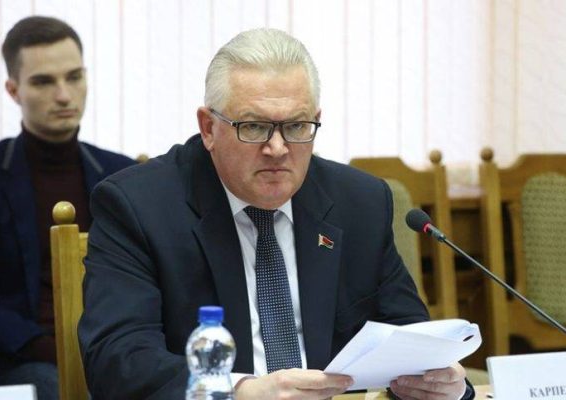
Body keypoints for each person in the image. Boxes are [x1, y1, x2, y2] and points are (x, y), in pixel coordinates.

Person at [78, 28, 474, 400]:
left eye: (297, 126)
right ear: (208, 127)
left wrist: (445, 383)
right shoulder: (138, 207)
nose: (278, 148)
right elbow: (118, 359)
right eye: (254, 127)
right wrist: (240, 392)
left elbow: (412, 337)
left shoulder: (360, 202)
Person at [0, 16, 135, 398]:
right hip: (18, 358)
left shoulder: (122, 174)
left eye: (74, 77)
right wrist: (67, 353)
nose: (64, 95)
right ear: (14, 91)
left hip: (112, 350)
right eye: (44, 81)